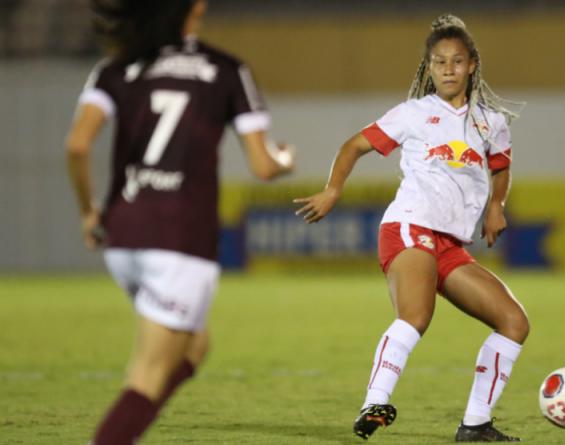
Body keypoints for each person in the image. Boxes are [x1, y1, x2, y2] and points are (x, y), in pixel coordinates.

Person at [65, 1, 294, 443]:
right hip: (179, 239)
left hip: (123, 236)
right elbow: (263, 166)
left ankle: (130, 423)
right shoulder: (226, 69)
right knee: (148, 376)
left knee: (194, 347)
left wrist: (88, 211)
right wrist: (283, 161)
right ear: (195, 9)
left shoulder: (118, 67)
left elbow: (77, 145)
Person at [295, 14, 529, 443]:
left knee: (514, 321)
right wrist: (333, 189)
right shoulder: (414, 114)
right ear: (429, 67)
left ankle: (475, 424)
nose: (448, 70)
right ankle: (374, 403)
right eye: (439, 62)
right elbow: (355, 145)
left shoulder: (491, 122)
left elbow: (501, 165)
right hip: (409, 226)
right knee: (417, 315)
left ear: (472, 64)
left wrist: (497, 205)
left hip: (450, 244)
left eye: (457, 61)